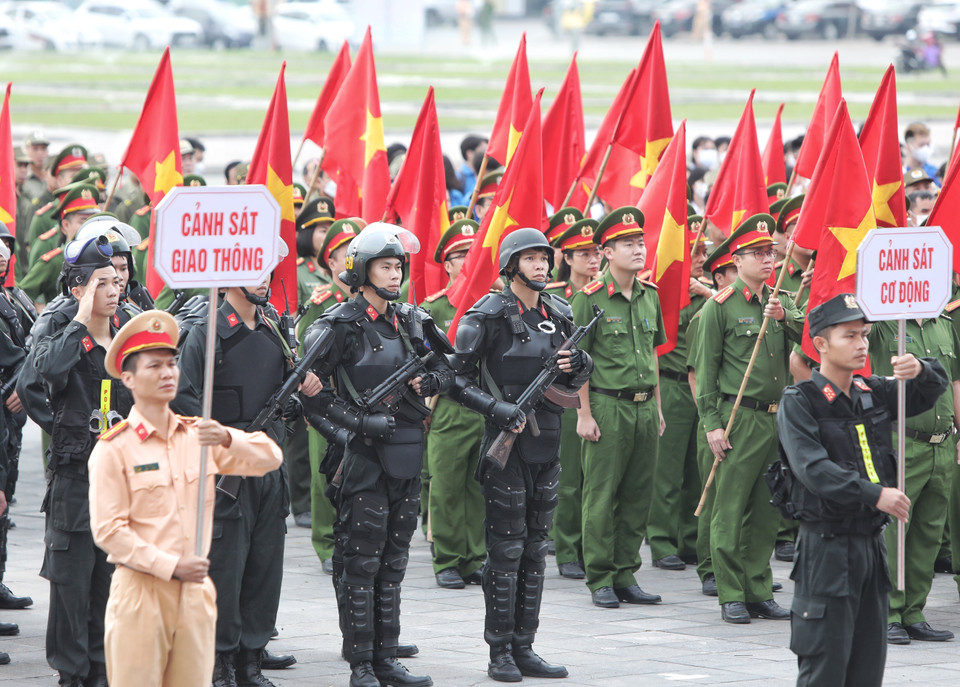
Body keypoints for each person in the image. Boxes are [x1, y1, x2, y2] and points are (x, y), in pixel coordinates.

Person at [88, 310, 283, 687]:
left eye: (172, 364)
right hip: (142, 593)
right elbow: (109, 532)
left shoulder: (199, 436)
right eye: (154, 366)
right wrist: (170, 565)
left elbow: (270, 458)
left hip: (194, 596)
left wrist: (228, 437)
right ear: (128, 378)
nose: (167, 373)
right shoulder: (114, 449)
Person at [302, 223, 456, 687]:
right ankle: (361, 664)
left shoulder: (413, 320)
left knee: (393, 561)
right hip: (362, 457)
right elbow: (311, 395)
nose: (394, 275)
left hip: (406, 452)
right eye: (384, 267)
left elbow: (450, 368)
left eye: (397, 267)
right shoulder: (338, 326)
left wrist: (431, 381)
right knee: (361, 560)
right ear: (362, 271)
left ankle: (387, 657)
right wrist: (356, 426)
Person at [777, 294, 948, 687]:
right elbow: (814, 470)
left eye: (865, 335)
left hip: (871, 545)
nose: (861, 344)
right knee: (825, 668)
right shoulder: (800, 401)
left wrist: (920, 368)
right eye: (849, 335)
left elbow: (930, 389)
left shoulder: (871, 390)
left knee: (868, 667)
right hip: (827, 548)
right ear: (820, 344)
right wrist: (876, 495)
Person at [452, 226, 591, 682]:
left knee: (535, 548)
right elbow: (454, 380)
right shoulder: (486, 316)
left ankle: (525, 646)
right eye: (531, 259)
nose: (541, 266)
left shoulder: (560, 312)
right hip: (506, 447)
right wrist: (497, 409)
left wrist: (581, 365)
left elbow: (571, 379)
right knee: (507, 549)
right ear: (511, 266)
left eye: (544, 259)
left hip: (547, 443)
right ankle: (500, 652)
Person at [175, 270, 321, 687]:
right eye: (252, 272)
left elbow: (283, 390)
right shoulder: (206, 333)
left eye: (265, 272)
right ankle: (220, 665)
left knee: (265, 566)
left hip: (268, 464)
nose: (263, 281)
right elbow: (183, 400)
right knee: (225, 569)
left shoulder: (274, 331)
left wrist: (300, 393)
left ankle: (251, 662)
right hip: (225, 470)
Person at [692, 213, 804, 624]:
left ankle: (758, 589)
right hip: (738, 416)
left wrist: (785, 318)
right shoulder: (719, 307)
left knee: (767, 508)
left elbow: (811, 338)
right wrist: (712, 424)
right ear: (736, 261)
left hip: (776, 417)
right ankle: (731, 593)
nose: (767, 259)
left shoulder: (781, 301)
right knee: (730, 507)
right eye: (757, 253)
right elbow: (706, 372)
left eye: (770, 252)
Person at [33, 234, 130, 687]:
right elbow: (45, 371)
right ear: (77, 289)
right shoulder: (64, 335)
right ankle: (71, 675)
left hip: (120, 484)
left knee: (110, 587)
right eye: (101, 283)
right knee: (71, 588)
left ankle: (103, 673)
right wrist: (80, 320)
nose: (113, 289)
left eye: (115, 280)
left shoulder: (129, 334)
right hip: (75, 481)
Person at [572, 206, 665, 609]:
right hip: (607, 405)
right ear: (607, 252)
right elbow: (577, 360)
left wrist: (658, 407)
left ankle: (626, 573)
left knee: (637, 493)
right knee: (601, 493)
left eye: (640, 242)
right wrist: (584, 414)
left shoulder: (649, 295)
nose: (638, 249)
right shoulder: (589, 299)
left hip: (644, 407)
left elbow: (653, 353)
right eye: (628, 244)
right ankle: (600, 576)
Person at [867, 302, 960, 645]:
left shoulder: (944, 323)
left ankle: (913, 612)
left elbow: (955, 381)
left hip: (942, 443)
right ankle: (888, 612)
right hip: (901, 440)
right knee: (894, 532)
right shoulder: (882, 321)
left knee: (928, 534)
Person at [421, 218, 486, 589]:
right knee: (446, 486)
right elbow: (421, 359)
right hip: (448, 406)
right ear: (447, 265)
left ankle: (474, 558)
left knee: (477, 487)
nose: (468, 261)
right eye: (461, 255)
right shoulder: (433, 308)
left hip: (486, 406)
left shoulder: (491, 306)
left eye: (473, 253)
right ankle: (447, 558)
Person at [647, 223, 711, 572]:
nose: (702, 258)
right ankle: (662, 540)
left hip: (701, 387)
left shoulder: (709, 292)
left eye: (704, 251)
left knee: (696, 469)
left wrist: (705, 290)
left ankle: (689, 539)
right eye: (695, 251)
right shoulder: (662, 290)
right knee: (668, 470)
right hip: (671, 384)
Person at [544, 215, 597, 580]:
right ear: (566, 257)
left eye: (596, 252)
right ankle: (567, 548)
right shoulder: (554, 298)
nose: (592, 260)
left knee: (597, 479)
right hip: (562, 396)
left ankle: (591, 547)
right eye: (583, 253)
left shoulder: (602, 296)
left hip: (598, 394)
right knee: (570, 479)